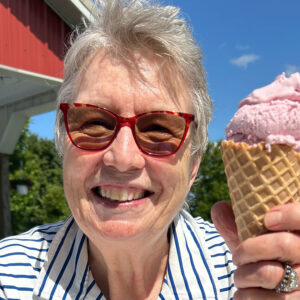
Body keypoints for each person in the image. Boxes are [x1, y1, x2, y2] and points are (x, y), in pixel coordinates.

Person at [0, 1, 299, 299]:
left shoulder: (247, 274)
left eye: (159, 129)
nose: (122, 158)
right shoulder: (8, 278)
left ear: (194, 163)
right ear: (63, 142)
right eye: (94, 123)